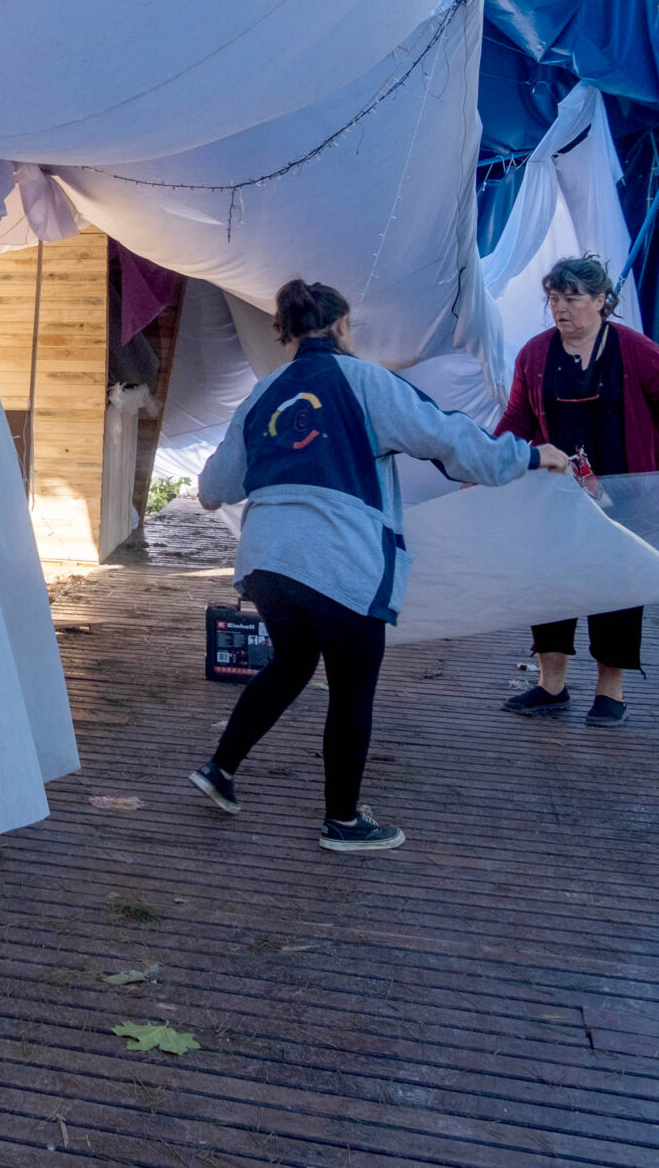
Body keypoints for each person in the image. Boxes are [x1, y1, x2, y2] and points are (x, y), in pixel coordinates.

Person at [188, 279, 571, 851]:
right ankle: (342, 822)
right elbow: (448, 436)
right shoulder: (366, 380)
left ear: (287, 334)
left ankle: (220, 769)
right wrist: (529, 456)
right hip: (338, 557)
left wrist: (227, 488)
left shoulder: (263, 394)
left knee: (291, 663)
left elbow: (216, 484)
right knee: (351, 688)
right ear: (343, 326)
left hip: (266, 559)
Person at [497, 257, 659, 727]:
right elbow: (518, 417)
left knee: (616, 589)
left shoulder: (636, 350)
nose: (560, 308)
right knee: (551, 584)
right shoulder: (535, 354)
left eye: (572, 298)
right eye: (554, 299)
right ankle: (551, 684)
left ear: (601, 301)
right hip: (557, 494)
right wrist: (485, 460)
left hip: (628, 496)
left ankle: (611, 691)